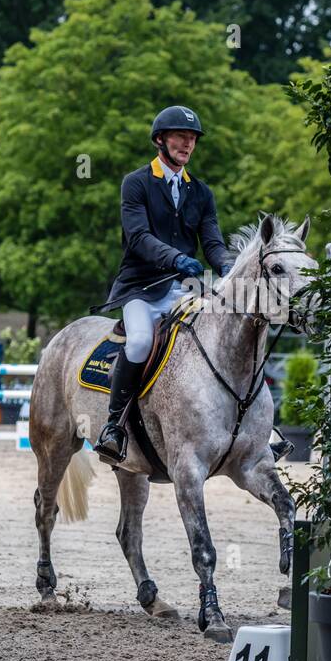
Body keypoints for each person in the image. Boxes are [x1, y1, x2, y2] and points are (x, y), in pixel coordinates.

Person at [93, 105, 232, 463]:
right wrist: (175, 259)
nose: (188, 144)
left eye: (192, 139)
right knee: (139, 341)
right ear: (161, 140)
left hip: (186, 289)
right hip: (142, 287)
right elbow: (137, 236)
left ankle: (254, 427)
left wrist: (227, 266)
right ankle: (114, 426)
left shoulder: (201, 193)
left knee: (229, 332)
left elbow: (212, 241)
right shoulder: (136, 183)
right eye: (180, 137)